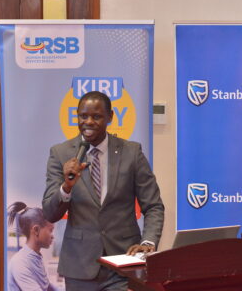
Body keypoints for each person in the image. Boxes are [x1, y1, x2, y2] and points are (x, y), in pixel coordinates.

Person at [42, 91, 164, 291]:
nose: (88, 122)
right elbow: (50, 213)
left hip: (124, 264)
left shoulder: (131, 152)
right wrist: (66, 187)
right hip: (80, 267)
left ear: (110, 117)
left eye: (96, 116)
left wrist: (148, 241)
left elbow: (153, 206)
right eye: (83, 116)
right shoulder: (60, 153)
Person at [7, 202, 59, 291]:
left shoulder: (36, 258)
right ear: (36, 230)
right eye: (50, 230)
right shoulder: (20, 262)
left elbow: (48, 287)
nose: (52, 236)